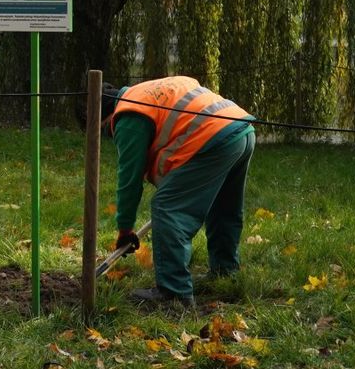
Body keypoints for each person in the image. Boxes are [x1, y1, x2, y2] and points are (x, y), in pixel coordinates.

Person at [102, 76, 256, 307]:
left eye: (106, 131)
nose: (111, 135)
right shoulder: (145, 91)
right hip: (241, 129)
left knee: (166, 207)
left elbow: (129, 180)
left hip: (213, 139)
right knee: (223, 208)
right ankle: (225, 273)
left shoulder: (128, 115)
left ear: (104, 118)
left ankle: (174, 293)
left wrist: (125, 228)